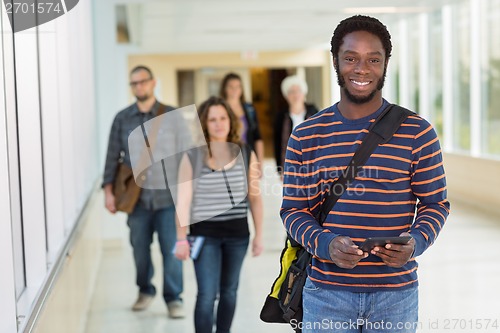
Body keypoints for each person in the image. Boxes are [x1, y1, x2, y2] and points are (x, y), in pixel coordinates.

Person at [280, 15, 450, 333]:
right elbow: (293, 210)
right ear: (335, 62)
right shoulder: (306, 135)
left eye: (374, 59)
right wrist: (325, 243)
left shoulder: (418, 132)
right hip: (326, 294)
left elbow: (435, 204)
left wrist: (415, 241)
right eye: (351, 58)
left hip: (395, 296)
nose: (362, 69)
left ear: (386, 64)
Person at [174, 96, 264, 333]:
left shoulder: (245, 153)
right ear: (204, 124)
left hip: (237, 236)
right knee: (206, 294)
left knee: (229, 292)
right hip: (204, 237)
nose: (218, 124)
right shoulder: (192, 157)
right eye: (212, 119)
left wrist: (259, 236)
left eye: (222, 118)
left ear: (230, 121)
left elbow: (254, 198)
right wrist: (181, 238)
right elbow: (182, 202)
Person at [102, 65, 185, 318]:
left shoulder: (172, 115)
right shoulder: (121, 118)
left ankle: (174, 298)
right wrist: (108, 191)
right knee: (139, 249)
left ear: (153, 82)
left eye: (143, 82)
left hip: (168, 198)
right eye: (134, 83)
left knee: (172, 250)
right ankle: (145, 290)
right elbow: (111, 156)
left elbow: (187, 156)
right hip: (135, 199)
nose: (139, 87)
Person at [219, 73, 264, 174]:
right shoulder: (219, 109)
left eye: (238, 86)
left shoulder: (249, 109)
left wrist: (259, 163)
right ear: (224, 89)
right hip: (225, 157)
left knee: (249, 188)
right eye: (231, 86)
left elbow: (258, 137)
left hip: (247, 156)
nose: (235, 90)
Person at [273, 75, 318, 176]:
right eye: (291, 92)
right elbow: (277, 144)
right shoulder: (281, 116)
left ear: (303, 93)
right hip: (291, 165)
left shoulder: (313, 112)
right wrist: (280, 170)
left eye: (298, 91)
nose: (295, 94)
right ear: (286, 96)